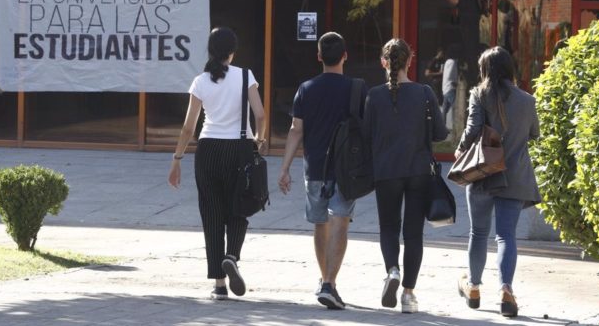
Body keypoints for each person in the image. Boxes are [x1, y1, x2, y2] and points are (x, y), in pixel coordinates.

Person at [168, 26, 268, 301]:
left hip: (208, 149)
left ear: (211, 51)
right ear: (232, 53)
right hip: (240, 148)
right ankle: (231, 256)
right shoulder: (246, 76)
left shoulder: (200, 81)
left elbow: (189, 127)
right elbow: (260, 114)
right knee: (239, 207)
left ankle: (219, 284)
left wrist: (177, 159)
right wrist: (258, 142)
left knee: (211, 214)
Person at [277, 32, 364, 310]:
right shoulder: (355, 89)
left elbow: (295, 130)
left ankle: (324, 280)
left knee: (320, 223)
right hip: (346, 168)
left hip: (314, 166)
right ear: (345, 56)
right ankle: (329, 283)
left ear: (318, 57)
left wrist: (285, 167)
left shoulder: (306, 88)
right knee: (341, 221)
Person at [455, 46, 541, 318]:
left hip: (483, 174)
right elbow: (534, 134)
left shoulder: (479, 94)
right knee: (506, 236)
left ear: (485, 70)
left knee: (478, 233)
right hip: (514, 176)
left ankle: (474, 288)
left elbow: (472, 130)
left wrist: (459, 150)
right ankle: (506, 289)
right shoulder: (527, 100)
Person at [363, 38, 446, 313]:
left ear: (383, 62)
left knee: (388, 228)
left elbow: (365, 135)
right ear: (410, 61)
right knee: (413, 234)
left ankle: (392, 271)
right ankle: (409, 294)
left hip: (386, 171)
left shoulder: (374, 96)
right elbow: (440, 133)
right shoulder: (424, 93)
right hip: (418, 170)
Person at [441, 45, 460, 130]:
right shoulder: (452, 62)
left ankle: (442, 127)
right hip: (450, 88)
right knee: (455, 107)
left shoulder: (447, 62)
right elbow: (449, 75)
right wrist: (455, 82)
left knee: (445, 109)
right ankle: (456, 126)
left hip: (445, 88)